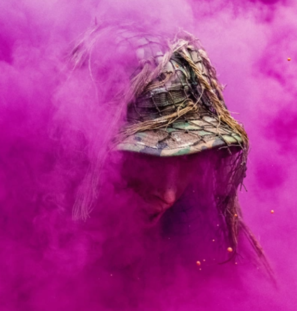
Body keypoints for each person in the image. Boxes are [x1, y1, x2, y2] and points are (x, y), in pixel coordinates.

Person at [68, 25, 271, 274]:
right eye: (147, 157)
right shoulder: (31, 241)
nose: (168, 194)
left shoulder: (208, 245)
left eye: (188, 156)